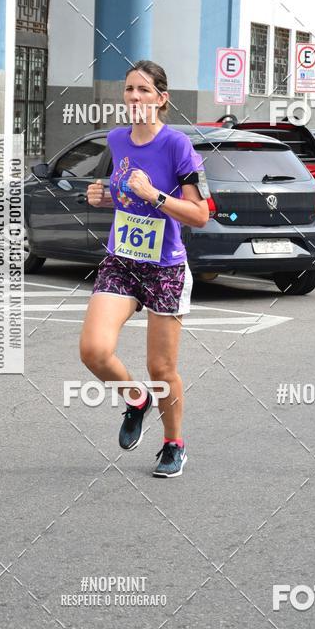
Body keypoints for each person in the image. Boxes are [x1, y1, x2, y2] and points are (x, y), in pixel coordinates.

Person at [79, 60, 209, 477]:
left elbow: (201, 214)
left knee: (161, 369)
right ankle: (136, 398)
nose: (135, 97)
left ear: (161, 98)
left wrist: (155, 196)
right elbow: (124, 197)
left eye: (144, 90)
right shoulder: (116, 139)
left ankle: (174, 444)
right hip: (122, 261)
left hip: (164, 267)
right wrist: (105, 198)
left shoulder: (178, 146)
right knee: (94, 350)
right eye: (129, 89)